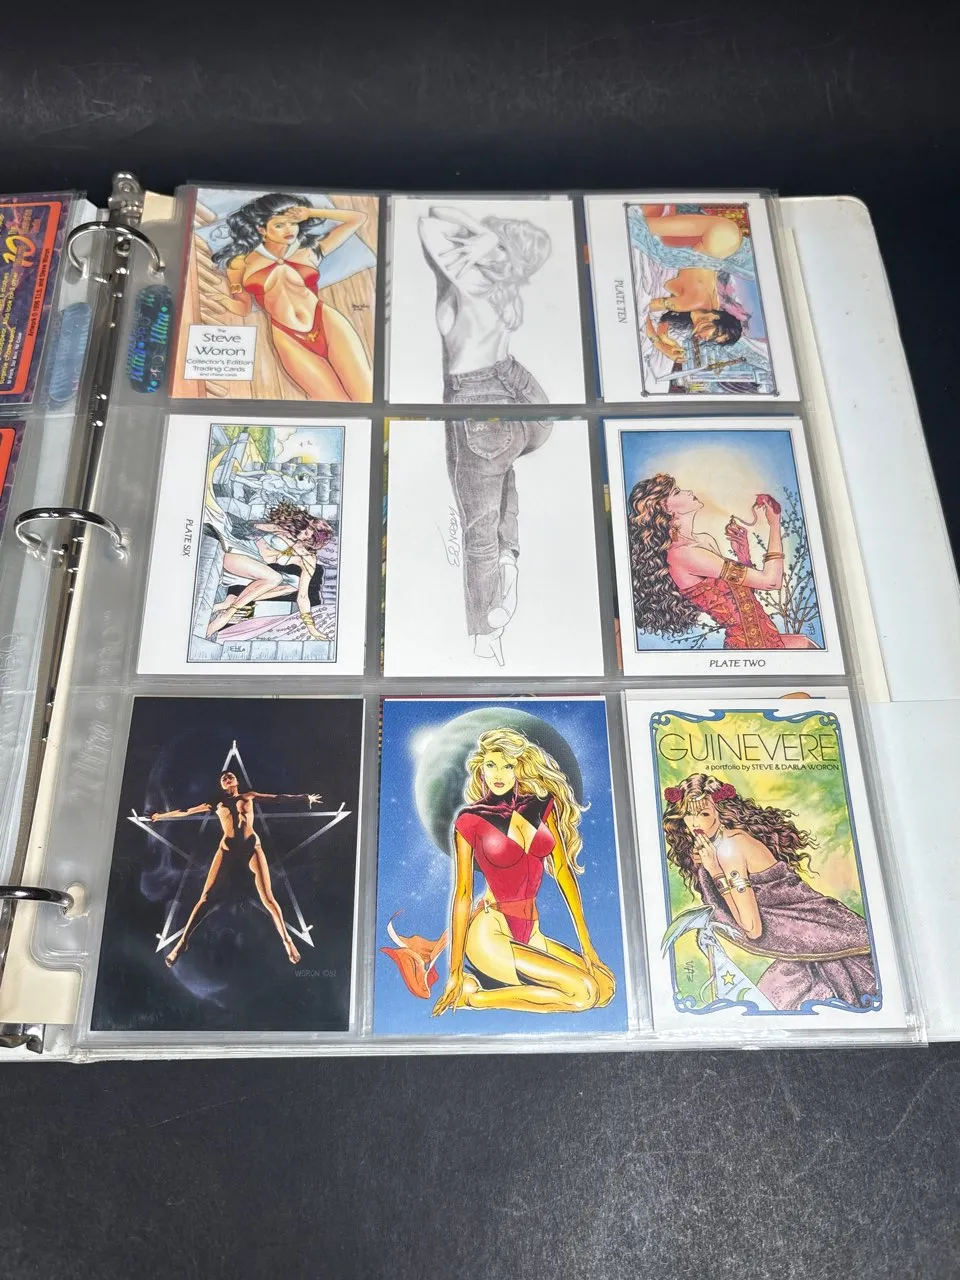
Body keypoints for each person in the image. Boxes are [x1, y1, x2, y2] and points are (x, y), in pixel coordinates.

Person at [387, 728, 615, 1014]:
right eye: (491, 765)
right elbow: (463, 894)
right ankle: (473, 998)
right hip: (490, 934)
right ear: (481, 769)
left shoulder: (541, 807)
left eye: (507, 766)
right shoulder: (470, 821)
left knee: (605, 988)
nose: (499, 774)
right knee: (584, 992)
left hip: (530, 933)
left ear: (519, 767)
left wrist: (587, 945)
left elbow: (562, 871)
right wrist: (454, 972)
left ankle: (498, 986)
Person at [661, 773, 877, 1010]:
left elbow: (752, 928)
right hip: (805, 947)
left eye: (703, 813)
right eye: (688, 813)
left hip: (828, 936)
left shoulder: (730, 848)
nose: (694, 822)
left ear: (720, 813)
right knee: (771, 999)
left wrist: (714, 871)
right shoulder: (714, 846)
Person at [627, 471, 818, 649]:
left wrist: (743, 554)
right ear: (665, 508)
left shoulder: (704, 540)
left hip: (764, 637)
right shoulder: (684, 554)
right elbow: (771, 582)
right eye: (677, 492)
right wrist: (774, 524)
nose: (688, 491)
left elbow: (742, 593)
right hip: (747, 645)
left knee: (806, 645)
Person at [210, 192, 372, 401]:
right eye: (279, 225)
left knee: (366, 395)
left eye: (293, 223)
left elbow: (358, 218)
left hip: (327, 322)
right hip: (288, 337)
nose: (289, 230)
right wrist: (223, 300)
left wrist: (310, 212)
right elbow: (243, 308)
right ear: (261, 229)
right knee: (334, 403)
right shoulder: (240, 263)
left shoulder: (310, 250)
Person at [150, 771, 321, 967]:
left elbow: (277, 798)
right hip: (228, 849)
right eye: (223, 778)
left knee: (268, 898)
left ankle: (287, 941)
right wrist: (160, 816)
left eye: (230, 776)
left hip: (252, 847)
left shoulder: (249, 796)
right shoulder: (217, 803)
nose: (226, 778)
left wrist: (304, 797)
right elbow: (186, 811)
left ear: (237, 781)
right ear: (222, 785)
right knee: (205, 898)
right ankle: (182, 943)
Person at [418, 205, 552, 403]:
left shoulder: (470, 279)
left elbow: (428, 222)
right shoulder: (506, 289)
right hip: (518, 379)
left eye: (500, 246)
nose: (480, 243)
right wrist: (489, 238)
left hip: (478, 391)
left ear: (510, 259)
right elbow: (435, 212)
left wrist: (487, 235)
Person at [445, 419, 552, 663]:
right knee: (498, 468)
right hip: (523, 412)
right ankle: (506, 557)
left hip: (477, 409)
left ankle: (486, 630)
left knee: (479, 533)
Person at [204, 498, 332, 643]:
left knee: (293, 583)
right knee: (275, 578)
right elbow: (250, 527)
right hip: (237, 552)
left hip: (252, 569)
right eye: (307, 529)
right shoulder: (286, 529)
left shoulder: (308, 558)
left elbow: (302, 596)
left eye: (309, 536)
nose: (304, 534)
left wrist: (311, 628)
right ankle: (228, 613)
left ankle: (231, 604)